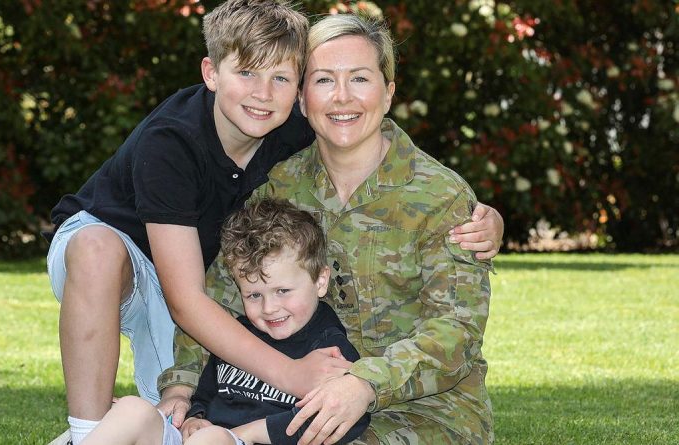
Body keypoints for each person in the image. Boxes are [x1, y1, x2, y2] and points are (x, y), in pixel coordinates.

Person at [46, 0, 501, 442]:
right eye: (324, 80)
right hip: (281, 402)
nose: (342, 97)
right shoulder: (277, 182)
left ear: (389, 92)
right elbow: (221, 290)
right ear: (305, 98)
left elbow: (455, 331)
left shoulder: (440, 197)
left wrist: (364, 383)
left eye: (360, 79)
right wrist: (183, 384)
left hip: (417, 413)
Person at [81, 199, 370, 445]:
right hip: (207, 438)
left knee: (212, 440)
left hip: (245, 440)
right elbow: (207, 392)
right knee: (133, 409)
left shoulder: (329, 345)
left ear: (320, 281)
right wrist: (195, 418)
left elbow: (349, 416)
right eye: (254, 295)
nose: (269, 308)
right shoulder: (240, 334)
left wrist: (244, 433)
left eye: (283, 291)